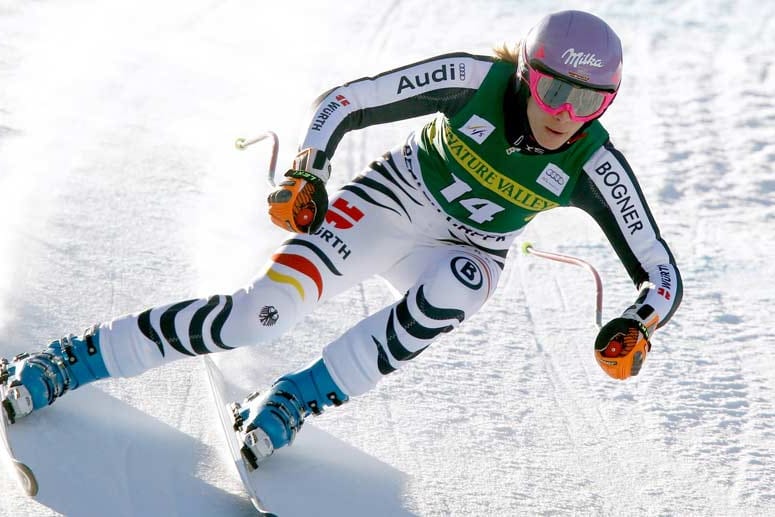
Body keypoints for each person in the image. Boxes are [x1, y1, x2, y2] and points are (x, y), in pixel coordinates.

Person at [1, 10, 682, 467]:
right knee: (256, 317)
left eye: (587, 102)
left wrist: (636, 322)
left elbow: (659, 271)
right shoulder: (475, 80)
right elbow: (344, 102)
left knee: (458, 291)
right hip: (394, 200)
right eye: (550, 90)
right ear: (526, 72)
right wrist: (308, 170)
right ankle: (71, 360)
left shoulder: (592, 163)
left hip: (466, 249)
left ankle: (292, 398)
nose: (562, 116)